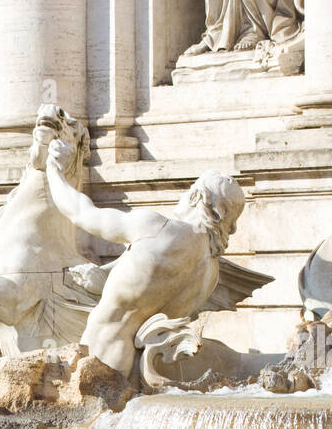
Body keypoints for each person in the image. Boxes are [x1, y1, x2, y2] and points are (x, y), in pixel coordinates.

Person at [45, 138, 245, 378]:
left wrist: (54, 169)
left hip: (102, 360)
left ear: (195, 197)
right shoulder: (211, 271)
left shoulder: (158, 228)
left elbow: (80, 213)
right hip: (148, 373)